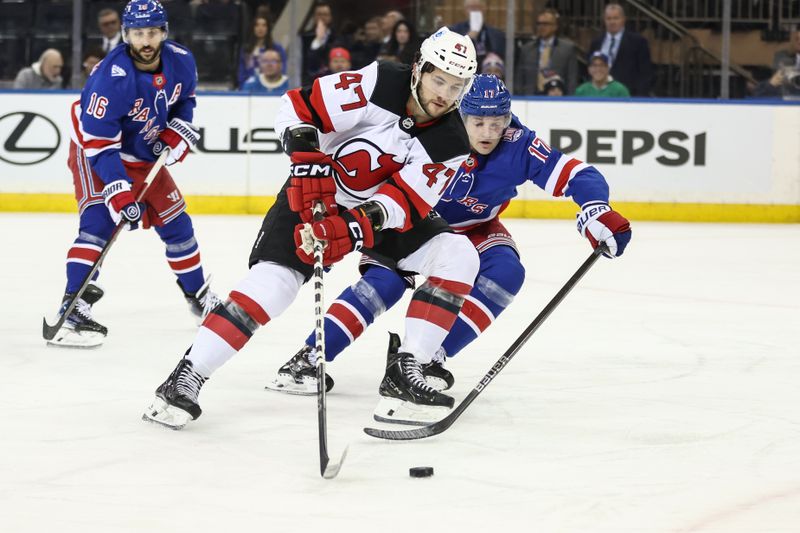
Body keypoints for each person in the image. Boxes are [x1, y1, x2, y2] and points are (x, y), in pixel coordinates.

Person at [142, 27, 480, 430]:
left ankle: (407, 370)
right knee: (273, 286)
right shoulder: (379, 81)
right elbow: (299, 108)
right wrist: (306, 159)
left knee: (458, 256)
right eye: (438, 79)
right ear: (419, 69)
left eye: (456, 86)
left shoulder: (453, 140)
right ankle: (186, 376)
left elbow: (404, 202)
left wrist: (351, 228)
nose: (444, 93)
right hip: (312, 192)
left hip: (378, 213)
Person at [265, 75, 632, 422]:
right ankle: (310, 357)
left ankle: (426, 359)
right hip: (411, 225)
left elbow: (577, 173)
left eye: (498, 121)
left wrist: (596, 208)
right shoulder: (435, 130)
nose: (489, 133)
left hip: (476, 229)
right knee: (385, 283)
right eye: (478, 122)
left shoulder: (518, 142)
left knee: (507, 272)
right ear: (460, 113)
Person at [44, 0, 221, 348]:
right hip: (96, 151)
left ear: (164, 33)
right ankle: (73, 305)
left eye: (152, 32)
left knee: (178, 225)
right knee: (98, 224)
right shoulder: (110, 79)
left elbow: (185, 100)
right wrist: (119, 191)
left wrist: (178, 127)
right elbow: (100, 146)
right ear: (126, 35)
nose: (145, 40)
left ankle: (198, 297)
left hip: (141, 153)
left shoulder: (181, 60)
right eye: (138, 33)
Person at [589, 3, 653, 96]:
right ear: (604, 20)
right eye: (609, 18)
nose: (612, 22)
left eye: (616, 18)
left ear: (623, 19)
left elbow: (645, 73)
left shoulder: (638, 42)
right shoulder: (596, 42)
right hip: (600, 96)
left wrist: (639, 99)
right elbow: (590, 68)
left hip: (628, 96)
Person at [516, 8, 578, 95]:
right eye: (539, 24)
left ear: (555, 26)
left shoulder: (567, 49)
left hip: (556, 98)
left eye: (545, 24)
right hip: (530, 99)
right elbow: (519, 78)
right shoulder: (526, 49)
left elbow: (572, 79)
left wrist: (568, 101)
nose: (541, 27)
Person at [237, 14, 287, 88]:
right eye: (257, 25)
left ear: (268, 28)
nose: (260, 28)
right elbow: (241, 72)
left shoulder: (277, 48)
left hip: (271, 87)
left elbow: (282, 70)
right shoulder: (246, 49)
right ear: (253, 28)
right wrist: (243, 87)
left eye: (264, 25)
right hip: (248, 88)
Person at [449, 0, 506, 65]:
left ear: (484, 9)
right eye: (471, 7)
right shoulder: (454, 31)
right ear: (464, 10)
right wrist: (469, 37)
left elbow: (500, 54)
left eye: (478, 7)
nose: (474, 10)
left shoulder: (496, 33)